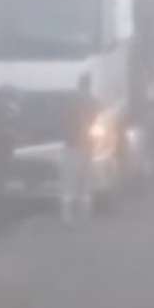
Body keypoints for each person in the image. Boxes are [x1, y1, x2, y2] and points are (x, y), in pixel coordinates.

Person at [60, 74, 95, 225]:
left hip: (72, 147)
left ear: (79, 85)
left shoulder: (71, 102)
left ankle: (68, 216)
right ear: (89, 85)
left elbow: (64, 122)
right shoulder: (93, 102)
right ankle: (85, 216)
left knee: (70, 183)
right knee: (85, 184)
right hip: (86, 146)